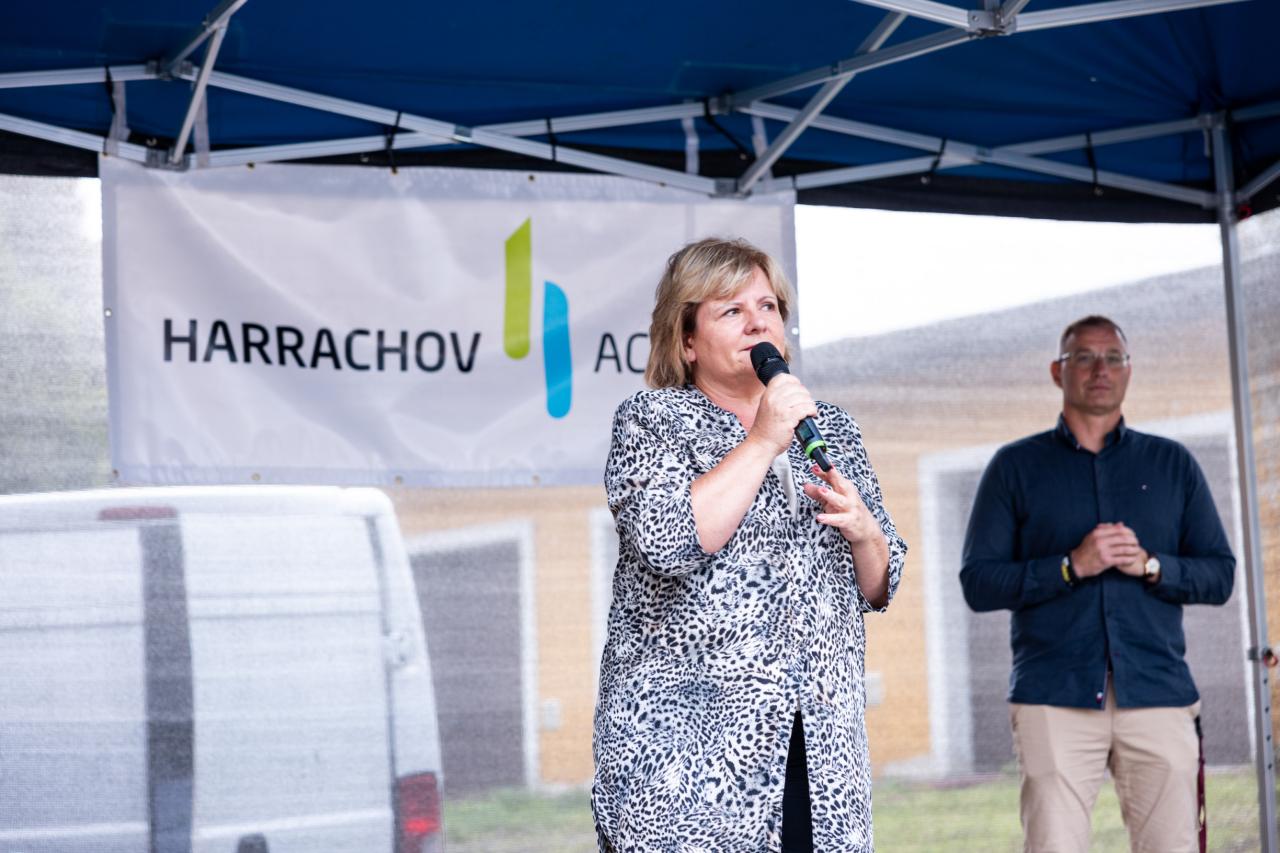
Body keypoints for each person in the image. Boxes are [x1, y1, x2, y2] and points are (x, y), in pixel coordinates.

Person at [591, 237, 907, 853]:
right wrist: (763, 439)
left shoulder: (832, 428)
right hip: (687, 763)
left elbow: (879, 584)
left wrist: (866, 532)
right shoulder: (652, 421)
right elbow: (668, 542)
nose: (758, 322)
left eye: (767, 307)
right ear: (686, 340)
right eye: (731, 310)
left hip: (819, 748)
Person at [960, 315, 1235, 853]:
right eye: (1083, 357)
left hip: (1157, 693)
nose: (1100, 369)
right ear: (1057, 371)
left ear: (1129, 370)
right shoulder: (1015, 467)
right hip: (1053, 696)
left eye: (1113, 357)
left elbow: (1220, 574)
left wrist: (1151, 566)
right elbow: (978, 582)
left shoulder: (1172, 464)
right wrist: (1069, 566)